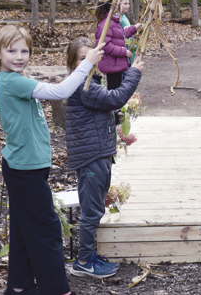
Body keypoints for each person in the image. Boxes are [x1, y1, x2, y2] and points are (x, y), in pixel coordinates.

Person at [0, 25, 104, 295]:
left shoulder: (15, 78)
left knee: (23, 230)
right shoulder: (12, 81)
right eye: (11, 51)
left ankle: (18, 287)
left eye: (25, 51)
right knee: (47, 229)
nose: (19, 56)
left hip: (26, 167)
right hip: (24, 170)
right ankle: (57, 290)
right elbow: (60, 92)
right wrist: (86, 64)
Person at [64, 37, 144, 278]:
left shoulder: (89, 82)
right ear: (71, 63)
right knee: (92, 211)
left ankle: (88, 255)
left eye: (92, 56)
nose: (88, 61)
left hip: (97, 152)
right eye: (81, 58)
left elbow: (97, 110)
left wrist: (112, 117)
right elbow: (115, 97)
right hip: (92, 156)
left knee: (94, 208)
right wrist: (133, 74)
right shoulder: (84, 85)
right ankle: (84, 261)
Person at [95, 0, 142, 90]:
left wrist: (134, 28)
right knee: (114, 91)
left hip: (116, 64)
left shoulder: (113, 21)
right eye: (118, 4)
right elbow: (106, 45)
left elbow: (120, 35)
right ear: (112, 6)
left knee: (118, 89)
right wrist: (124, 52)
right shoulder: (106, 23)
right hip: (112, 64)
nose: (120, 6)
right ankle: (113, 105)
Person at [114, 0, 136, 65]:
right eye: (125, 4)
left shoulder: (123, 16)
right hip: (124, 47)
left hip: (130, 45)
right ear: (118, 4)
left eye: (128, 3)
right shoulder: (118, 18)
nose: (128, 6)